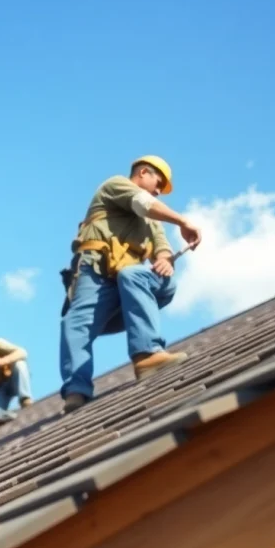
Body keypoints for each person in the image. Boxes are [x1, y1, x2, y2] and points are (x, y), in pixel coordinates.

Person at [59, 155, 202, 413]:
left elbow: (162, 249)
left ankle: (147, 355)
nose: (159, 192)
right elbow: (143, 202)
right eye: (158, 184)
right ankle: (76, 392)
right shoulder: (116, 186)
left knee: (132, 275)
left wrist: (165, 261)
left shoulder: (153, 221)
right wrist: (183, 221)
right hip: (96, 272)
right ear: (143, 172)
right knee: (75, 323)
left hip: (132, 285)